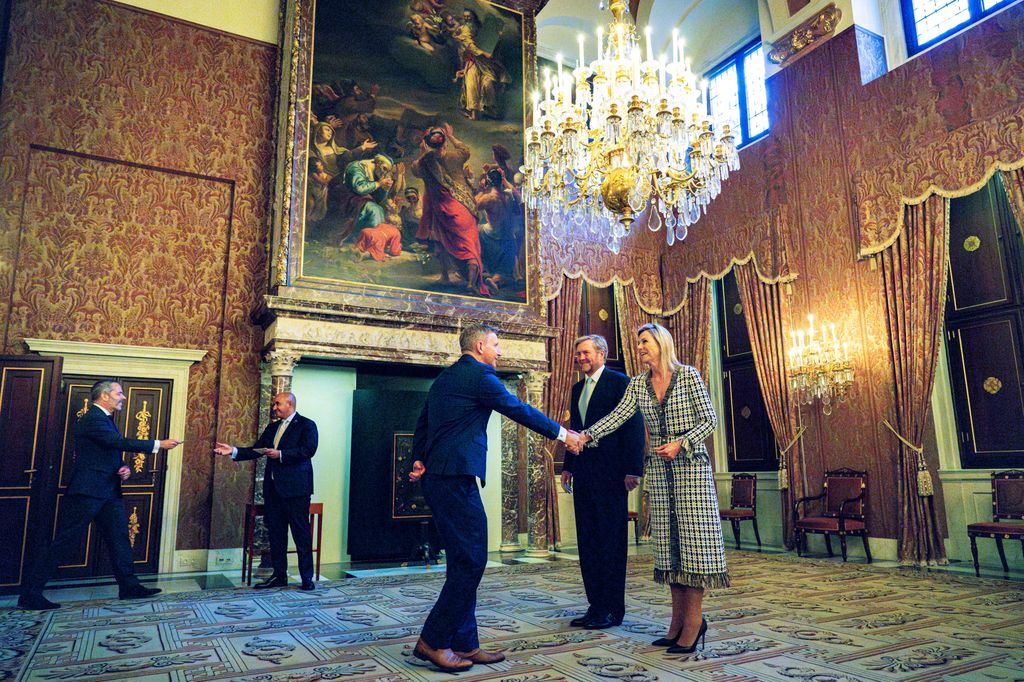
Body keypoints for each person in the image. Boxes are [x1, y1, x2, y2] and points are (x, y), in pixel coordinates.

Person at [408, 324, 582, 672]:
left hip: (441, 477)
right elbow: (519, 409)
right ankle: (432, 641)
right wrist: (565, 435)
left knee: (462, 562)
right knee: (472, 561)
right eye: (496, 345)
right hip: (454, 479)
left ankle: (465, 643)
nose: (500, 351)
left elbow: (423, 422)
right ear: (478, 346)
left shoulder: (446, 377)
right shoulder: (480, 376)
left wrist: (419, 458)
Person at [572, 323, 727, 654]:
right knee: (669, 548)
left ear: (660, 343)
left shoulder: (688, 376)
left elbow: (710, 420)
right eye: (638, 342)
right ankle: (676, 624)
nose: (639, 347)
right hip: (659, 475)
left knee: (694, 549)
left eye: (644, 341)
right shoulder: (639, 384)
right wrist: (585, 436)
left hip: (691, 473)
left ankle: (695, 622)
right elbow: (617, 417)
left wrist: (681, 443)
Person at [19, 380, 181, 610]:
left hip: (108, 489)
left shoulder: (103, 420)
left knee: (119, 539)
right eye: (119, 393)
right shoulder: (93, 418)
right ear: (105, 396)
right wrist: (158, 444)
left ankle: (129, 587)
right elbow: (117, 442)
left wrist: (123, 467)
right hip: (88, 491)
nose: (123, 397)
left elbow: (107, 450)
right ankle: (30, 594)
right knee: (65, 541)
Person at [561, 335, 645, 630]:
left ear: (601, 353)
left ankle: (613, 610)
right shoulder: (576, 388)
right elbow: (575, 430)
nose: (580, 358)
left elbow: (634, 424)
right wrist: (568, 466)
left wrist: (634, 468)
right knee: (588, 541)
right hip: (584, 473)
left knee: (611, 542)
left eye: (585, 352)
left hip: (612, 474)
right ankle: (595, 606)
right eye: (578, 354)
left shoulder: (619, 382)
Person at [214, 392, 319, 591]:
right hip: (274, 491)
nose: (274, 408)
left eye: (278, 404)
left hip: (297, 491)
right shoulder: (272, 427)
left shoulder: (307, 425)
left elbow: (309, 450)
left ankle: (307, 578)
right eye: (273, 404)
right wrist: (234, 451)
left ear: (290, 403)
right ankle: (279, 577)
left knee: (301, 535)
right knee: (276, 536)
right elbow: (258, 449)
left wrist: (280, 454)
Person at [412, 126, 490, 295]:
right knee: (470, 245)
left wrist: (423, 154)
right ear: (445, 144)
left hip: (442, 211)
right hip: (464, 209)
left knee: (442, 242)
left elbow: (415, 170)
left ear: (426, 145)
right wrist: (451, 136)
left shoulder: (424, 163)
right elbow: (465, 150)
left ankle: (445, 276)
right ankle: (470, 283)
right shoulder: (455, 156)